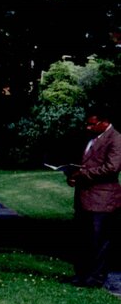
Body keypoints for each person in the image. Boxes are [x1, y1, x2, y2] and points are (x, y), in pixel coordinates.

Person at [66, 108, 121, 288]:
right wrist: (73, 175)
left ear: (104, 122)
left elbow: (112, 167)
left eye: (92, 124)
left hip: (102, 200)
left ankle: (96, 277)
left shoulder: (116, 139)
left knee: (99, 241)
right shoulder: (91, 139)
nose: (88, 127)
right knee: (83, 239)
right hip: (84, 198)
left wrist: (84, 174)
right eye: (87, 123)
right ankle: (82, 274)